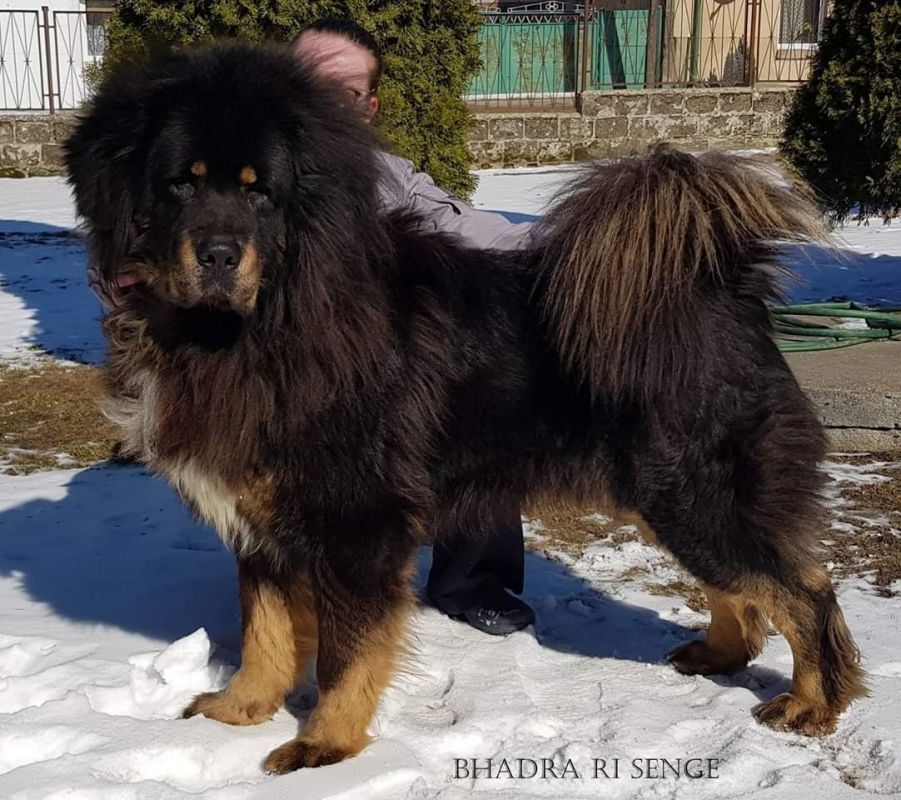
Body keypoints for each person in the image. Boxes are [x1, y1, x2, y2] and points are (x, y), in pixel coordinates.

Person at [296, 20, 536, 636]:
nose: (323, 101)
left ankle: (472, 579)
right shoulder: (231, 163)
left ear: (368, 109)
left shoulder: (386, 176)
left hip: (379, 363)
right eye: (307, 81)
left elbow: (462, 227)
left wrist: (582, 246)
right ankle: (290, 586)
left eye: (344, 91)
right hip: (282, 378)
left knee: (487, 401)